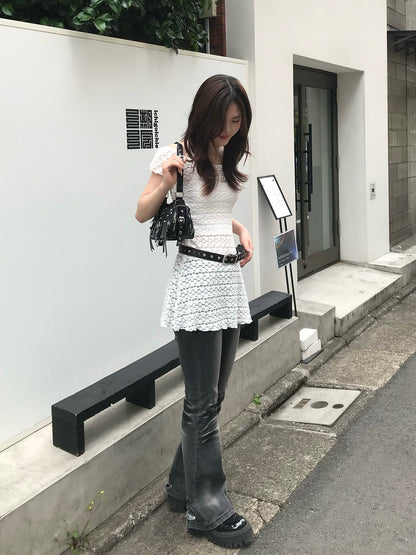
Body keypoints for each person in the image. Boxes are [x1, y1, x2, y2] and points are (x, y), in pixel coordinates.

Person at [135, 74, 255, 548]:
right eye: (223, 121)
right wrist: (166, 182)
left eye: (237, 121)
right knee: (203, 402)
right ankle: (206, 508)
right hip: (197, 286)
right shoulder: (176, 154)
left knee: (213, 397)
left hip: (227, 283)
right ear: (204, 114)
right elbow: (142, 211)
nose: (229, 130)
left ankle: (181, 485)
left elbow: (211, 211)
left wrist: (240, 229)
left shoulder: (224, 155)